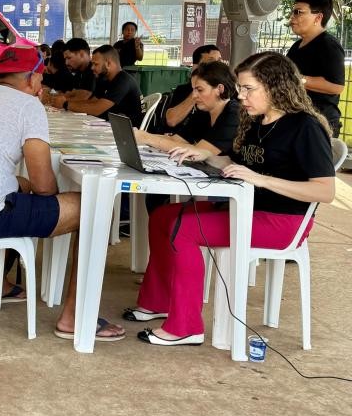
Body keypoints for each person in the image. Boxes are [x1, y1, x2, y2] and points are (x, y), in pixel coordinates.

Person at [127, 52, 336, 346]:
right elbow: (235, 164)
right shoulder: (256, 121)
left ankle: (186, 327)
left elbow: (325, 191)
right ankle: (158, 302)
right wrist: (203, 154)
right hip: (244, 208)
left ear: (275, 87)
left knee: (183, 229)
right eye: (240, 88)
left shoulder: (304, 127)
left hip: (282, 221)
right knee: (163, 217)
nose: (241, 96)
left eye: (249, 89)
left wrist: (261, 179)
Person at [0, 44, 125, 341]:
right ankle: (75, 317)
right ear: (31, 78)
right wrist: (54, 200)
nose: (42, 85)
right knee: (97, 208)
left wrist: (26, 188)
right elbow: (43, 186)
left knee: (18, 186)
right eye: (40, 79)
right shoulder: (29, 106)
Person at [134, 61, 240, 155]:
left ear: (220, 89)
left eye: (200, 90)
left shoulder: (233, 114)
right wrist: (140, 135)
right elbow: (176, 140)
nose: (194, 96)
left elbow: (199, 152)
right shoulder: (204, 112)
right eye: (193, 90)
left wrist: (146, 138)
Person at [285, 0, 345, 137]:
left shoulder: (329, 46)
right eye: (293, 12)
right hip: (297, 119)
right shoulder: (296, 46)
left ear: (318, 17)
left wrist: (298, 79)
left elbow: (336, 86)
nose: (292, 17)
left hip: (319, 123)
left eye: (298, 12)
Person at [63, 44, 142, 125]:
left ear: (108, 64)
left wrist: (66, 104)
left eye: (96, 64)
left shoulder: (123, 80)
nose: (92, 67)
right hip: (111, 125)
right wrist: (66, 102)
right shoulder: (104, 79)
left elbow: (97, 109)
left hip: (131, 130)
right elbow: (91, 102)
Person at [158, 44, 223, 132]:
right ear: (196, 67)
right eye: (211, 61)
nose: (217, 66)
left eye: (219, 61)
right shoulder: (184, 90)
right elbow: (171, 121)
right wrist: (198, 89)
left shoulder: (225, 91)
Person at [42, 37, 95, 108]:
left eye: (69, 58)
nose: (66, 62)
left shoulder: (93, 71)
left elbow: (83, 97)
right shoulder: (79, 72)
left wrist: (53, 100)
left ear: (82, 54)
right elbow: (72, 93)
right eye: (65, 59)